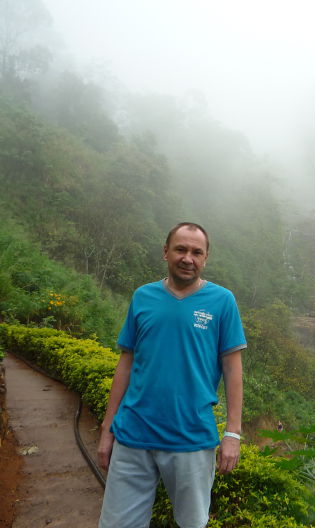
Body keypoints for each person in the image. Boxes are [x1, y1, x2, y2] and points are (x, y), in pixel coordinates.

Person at [97, 222, 247, 528]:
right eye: (180, 249)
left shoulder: (222, 302)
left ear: (205, 258)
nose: (187, 258)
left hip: (191, 438)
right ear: (166, 252)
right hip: (132, 435)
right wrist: (107, 427)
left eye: (196, 252)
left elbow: (233, 369)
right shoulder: (143, 297)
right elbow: (126, 362)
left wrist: (232, 433)